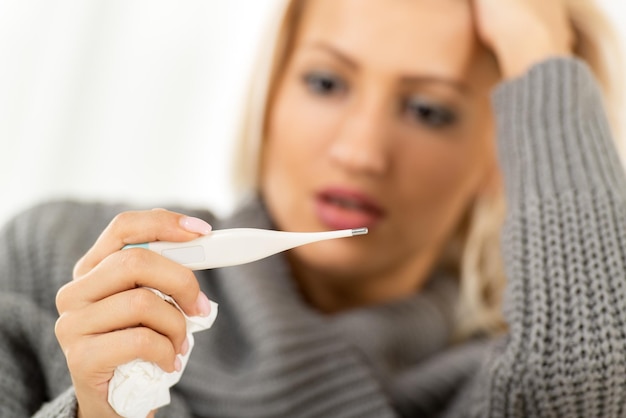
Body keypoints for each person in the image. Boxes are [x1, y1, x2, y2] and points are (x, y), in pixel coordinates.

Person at [1, 0, 624, 416]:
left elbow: (586, 385)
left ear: (505, 152)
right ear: (271, 92)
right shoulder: (55, 262)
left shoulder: (498, 381)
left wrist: (541, 53)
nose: (359, 152)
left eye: (429, 110)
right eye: (326, 83)